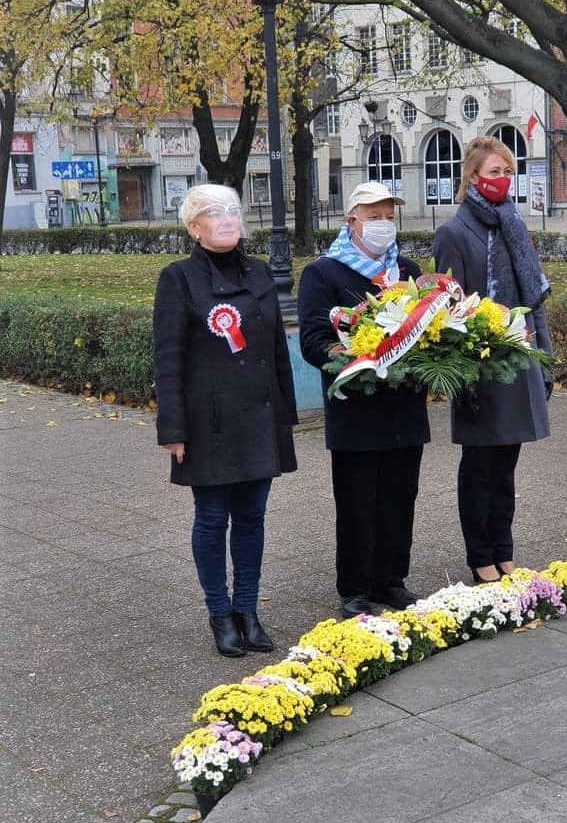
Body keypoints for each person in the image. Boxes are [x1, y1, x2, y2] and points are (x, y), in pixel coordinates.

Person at [153, 183, 297, 657]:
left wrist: (285, 414)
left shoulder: (260, 273)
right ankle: (220, 612)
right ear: (194, 227)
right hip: (208, 423)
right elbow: (168, 359)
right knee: (213, 518)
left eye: (233, 210)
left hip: (260, 417)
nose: (228, 219)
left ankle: (247, 610)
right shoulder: (178, 279)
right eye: (215, 213)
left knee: (252, 516)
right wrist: (173, 429)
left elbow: (276, 349)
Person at [297, 181, 430, 619]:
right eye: (374, 217)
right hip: (356, 410)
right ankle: (354, 588)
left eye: (389, 216)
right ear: (351, 220)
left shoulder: (407, 272)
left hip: (404, 409)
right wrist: (357, 358)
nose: (383, 224)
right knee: (357, 503)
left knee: (400, 498)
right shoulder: (324, 273)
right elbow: (314, 341)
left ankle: (391, 580)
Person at [432, 137, 553, 584]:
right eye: (493, 172)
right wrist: (465, 371)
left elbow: (533, 298)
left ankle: (503, 548)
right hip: (481, 368)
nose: (502, 180)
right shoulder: (453, 233)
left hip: (518, 361)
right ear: (472, 177)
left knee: (506, 468)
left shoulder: (512, 224)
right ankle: (480, 553)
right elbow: (449, 309)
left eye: (507, 172)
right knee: (480, 468)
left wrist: (545, 357)